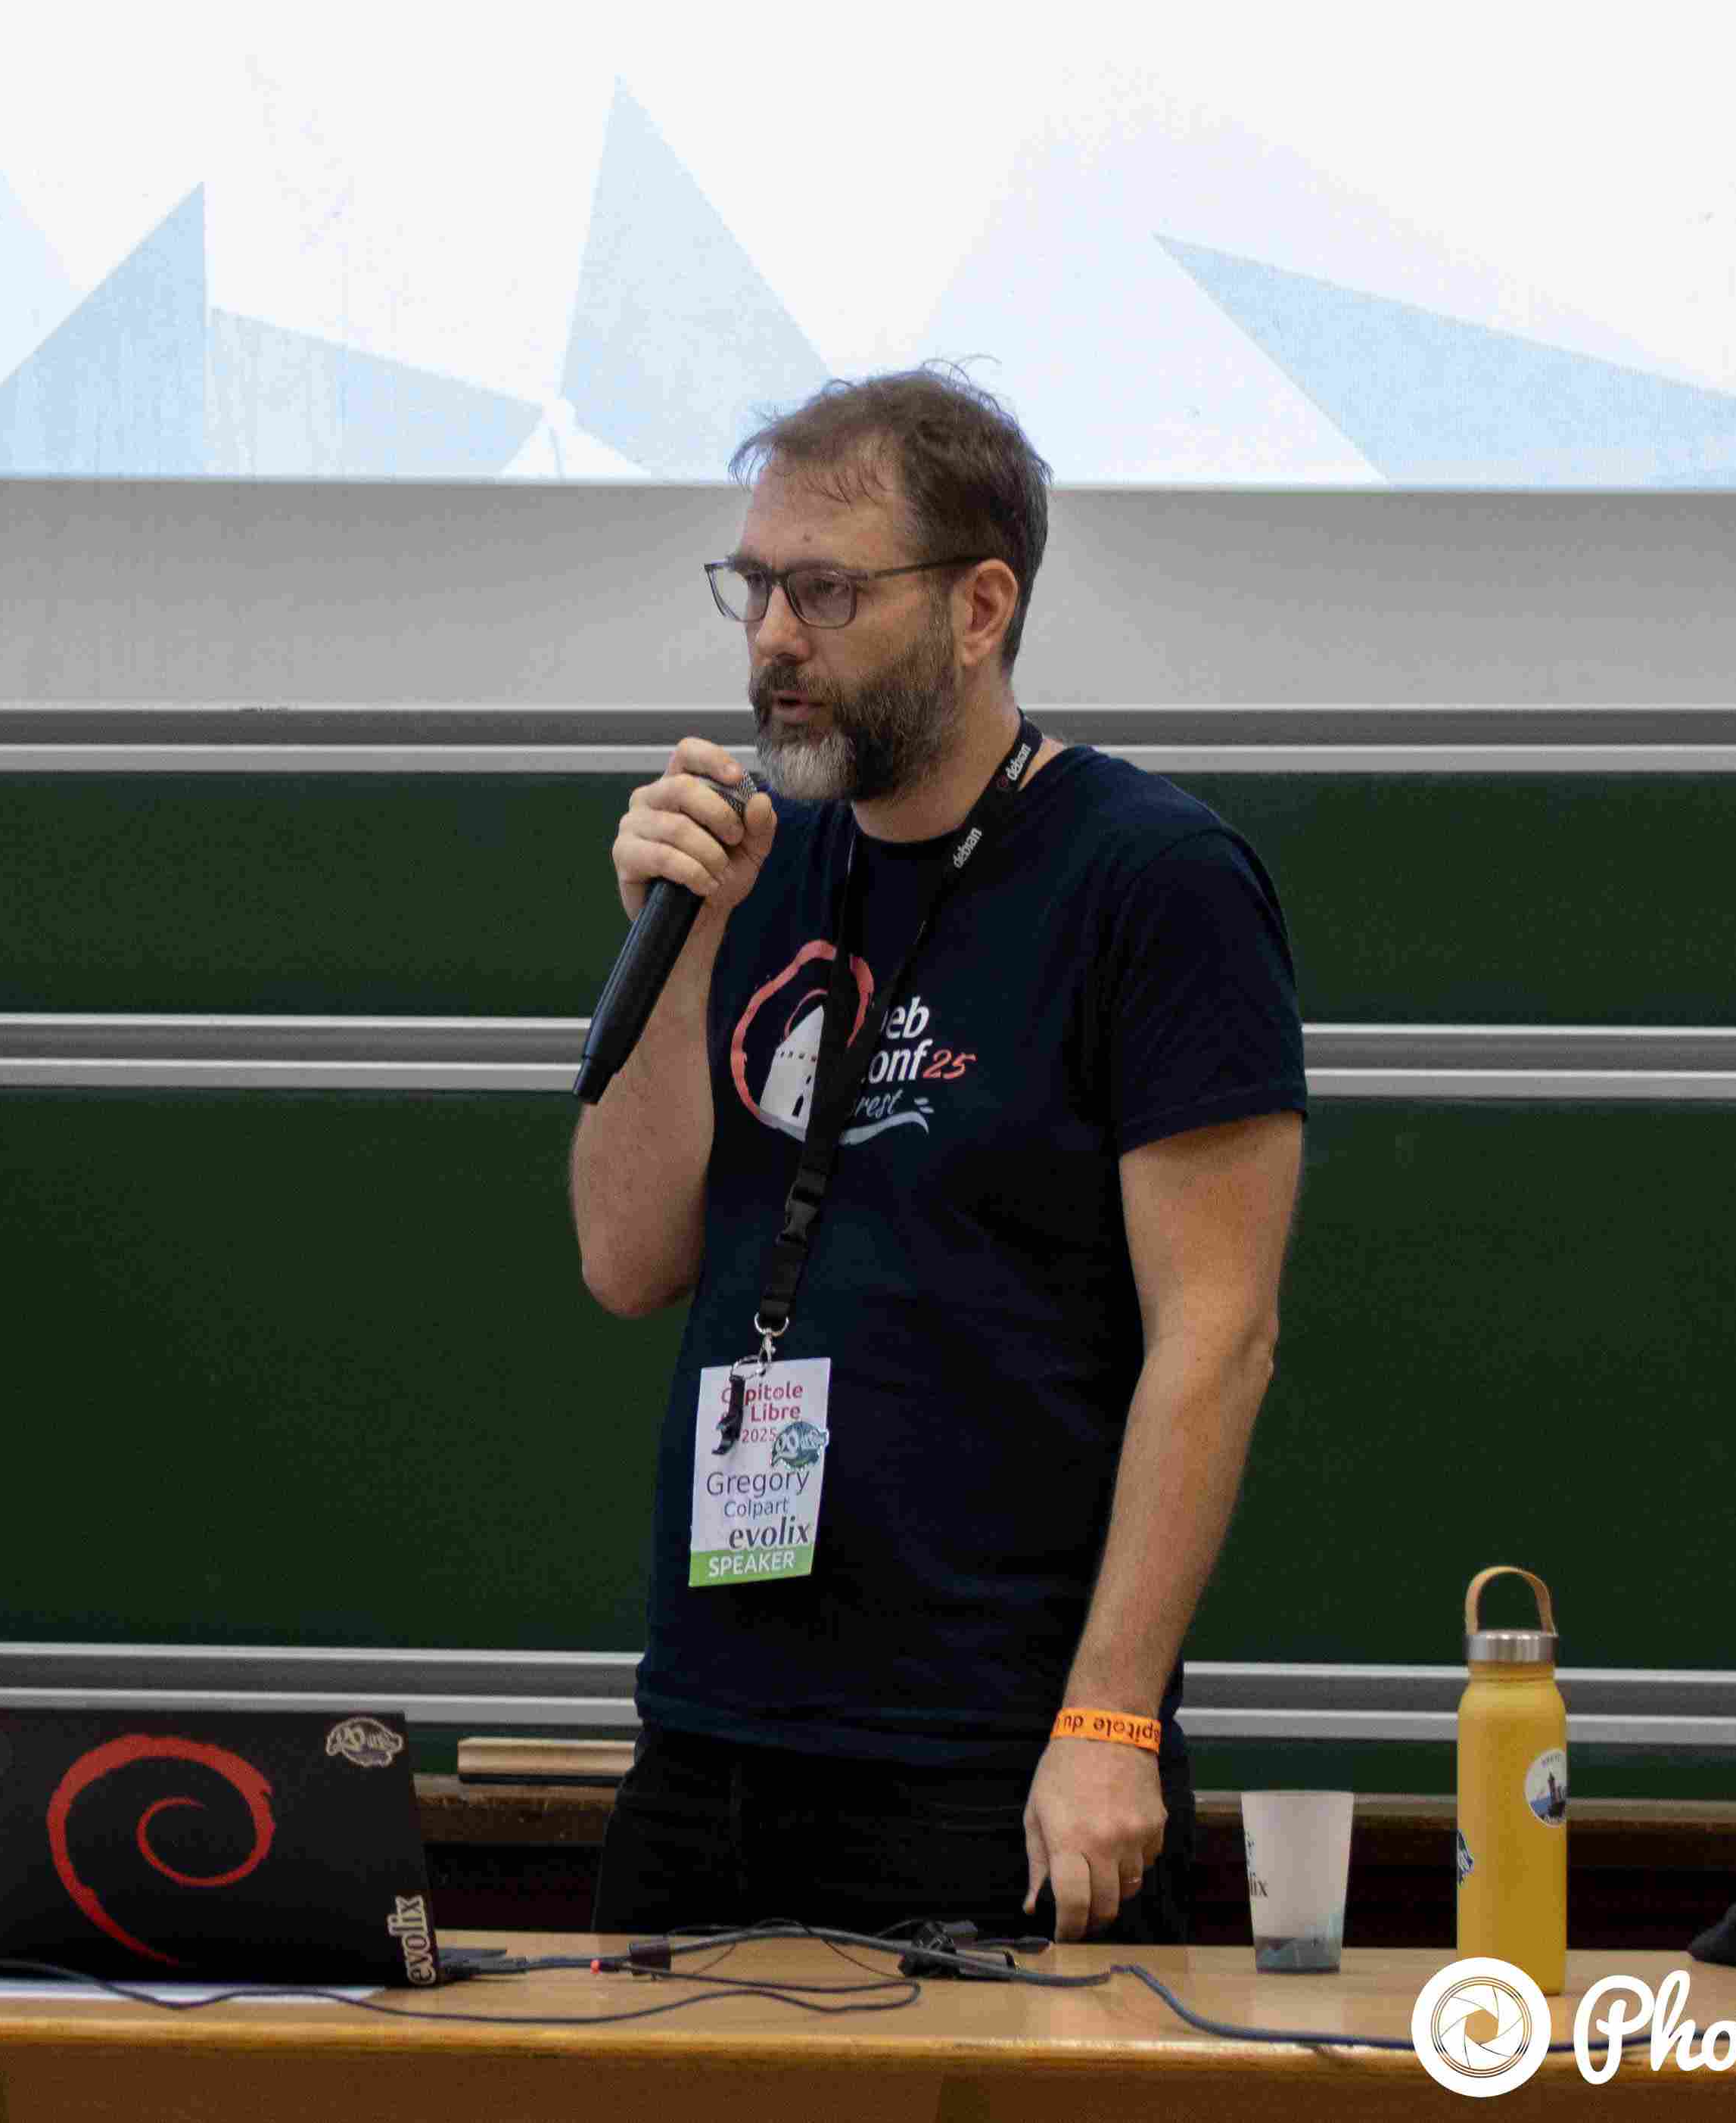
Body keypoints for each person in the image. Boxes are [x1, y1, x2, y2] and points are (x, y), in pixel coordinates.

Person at [572, 369, 1305, 1944]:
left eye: (828, 592)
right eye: (755, 586)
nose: (774, 638)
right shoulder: (748, 864)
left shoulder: (1151, 879)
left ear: (980, 608)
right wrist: (677, 949)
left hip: (995, 1760)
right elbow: (627, 1262)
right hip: (709, 1742)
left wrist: (1108, 1717)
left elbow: (1219, 1334)